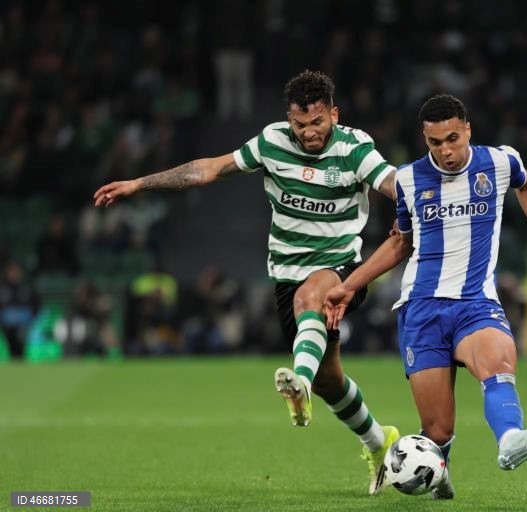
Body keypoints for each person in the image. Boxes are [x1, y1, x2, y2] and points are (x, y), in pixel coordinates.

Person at [94, 70, 400, 494]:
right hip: (286, 275)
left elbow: (391, 182)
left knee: (315, 296)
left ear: (334, 113)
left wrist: (424, 200)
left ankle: (300, 383)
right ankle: (378, 441)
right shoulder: (272, 142)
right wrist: (139, 184)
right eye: (300, 124)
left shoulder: (354, 148)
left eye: (317, 123)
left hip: (340, 269)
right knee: (333, 380)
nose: (309, 133)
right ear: (288, 119)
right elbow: (209, 169)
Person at [325, 94, 527, 499]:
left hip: (476, 302)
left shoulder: (499, 162)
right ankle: (440, 475)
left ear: (468, 130)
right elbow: (400, 244)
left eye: (453, 139)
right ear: (425, 140)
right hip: (421, 309)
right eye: (435, 143)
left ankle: (511, 438)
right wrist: (349, 285)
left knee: (497, 362)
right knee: (439, 430)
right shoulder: (407, 179)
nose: (446, 150)